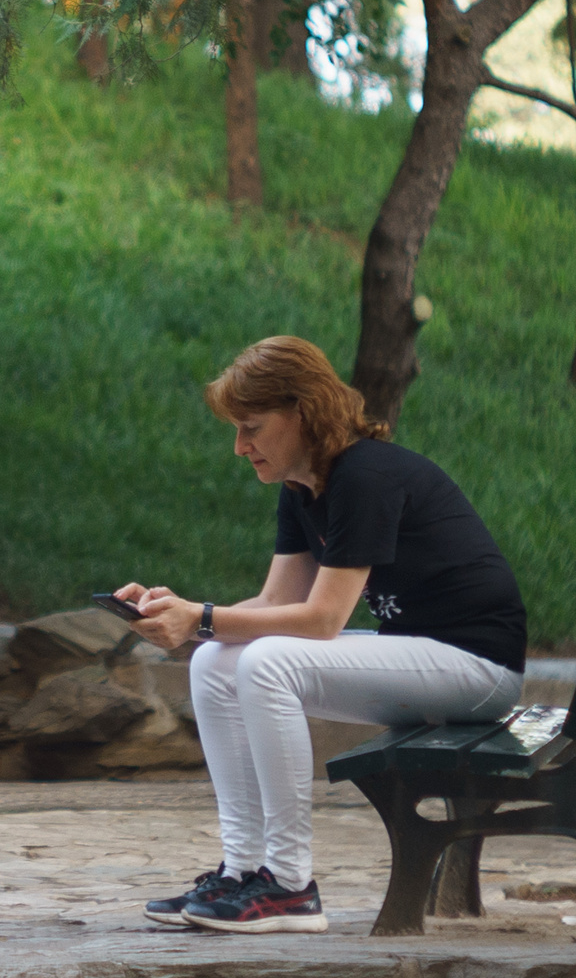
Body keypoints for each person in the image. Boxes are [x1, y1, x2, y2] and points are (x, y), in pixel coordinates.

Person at [115, 335, 527, 933]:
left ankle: (288, 885)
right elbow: (275, 603)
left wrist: (201, 618)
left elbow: (321, 619)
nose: (239, 447)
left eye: (251, 427)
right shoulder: (304, 488)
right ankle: (242, 872)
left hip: (479, 669)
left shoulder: (365, 475)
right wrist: (175, 612)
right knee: (217, 663)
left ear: (301, 413)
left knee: (266, 662)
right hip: (423, 656)